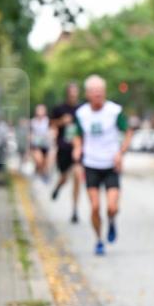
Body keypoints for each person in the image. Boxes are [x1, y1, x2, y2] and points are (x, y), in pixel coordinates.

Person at [71, 75, 134, 256]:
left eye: (100, 91)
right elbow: (77, 135)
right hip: (91, 164)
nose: (98, 94)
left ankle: (112, 221)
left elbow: (128, 132)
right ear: (87, 94)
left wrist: (120, 153)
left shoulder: (114, 111)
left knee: (112, 207)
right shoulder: (82, 113)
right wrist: (77, 148)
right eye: (94, 91)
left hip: (111, 164)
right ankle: (99, 240)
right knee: (95, 207)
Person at [51, 82, 83, 223]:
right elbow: (51, 124)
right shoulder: (59, 108)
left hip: (77, 148)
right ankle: (58, 186)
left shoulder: (82, 109)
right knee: (64, 177)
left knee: (77, 176)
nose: (73, 95)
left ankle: (75, 210)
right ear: (67, 94)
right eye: (71, 93)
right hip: (63, 148)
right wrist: (61, 121)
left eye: (75, 92)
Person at [29, 104, 53, 182]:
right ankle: (38, 174)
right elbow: (30, 133)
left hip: (46, 145)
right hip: (36, 145)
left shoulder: (48, 121)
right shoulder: (33, 122)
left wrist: (50, 136)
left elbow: (52, 131)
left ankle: (41, 174)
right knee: (39, 160)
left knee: (45, 163)